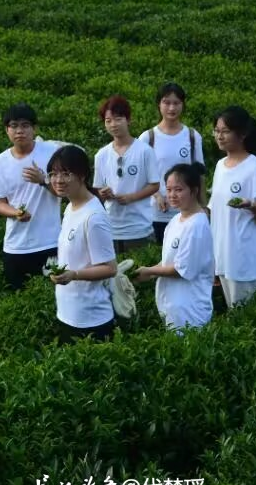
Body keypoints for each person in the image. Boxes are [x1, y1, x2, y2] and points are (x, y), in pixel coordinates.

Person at [47, 145, 118, 343]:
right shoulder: (70, 207)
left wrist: (74, 275)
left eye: (66, 173)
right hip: (67, 312)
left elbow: (110, 268)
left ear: (83, 175)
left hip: (91, 319)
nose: (58, 180)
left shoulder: (93, 217)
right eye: (53, 174)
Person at [0, 103, 61, 290]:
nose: (19, 131)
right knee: (17, 295)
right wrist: (16, 213)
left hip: (50, 242)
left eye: (25, 125)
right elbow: (0, 204)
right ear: (6, 130)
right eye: (13, 126)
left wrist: (43, 181)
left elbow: (65, 192)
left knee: (53, 293)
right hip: (16, 246)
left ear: (34, 128)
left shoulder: (51, 153)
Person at [209, 106, 256, 308]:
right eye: (216, 131)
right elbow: (215, 212)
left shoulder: (255, 168)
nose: (220, 136)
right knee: (234, 314)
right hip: (224, 256)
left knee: (248, 316)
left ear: (243, 134)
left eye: (226, 131)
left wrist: (251, 206)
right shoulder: (220, 166)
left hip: (246, 259)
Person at [134, 162, 214, 332]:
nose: (172, 195)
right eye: (169, 189)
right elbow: (167, 262)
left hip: (189, 310)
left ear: (194, 190)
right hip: (172, 307)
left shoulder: (197, 225)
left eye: (178, 190)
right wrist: (147, 273)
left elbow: (182, 269)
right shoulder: (175, 220)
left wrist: (150, 271)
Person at [138, 82, 205, 244]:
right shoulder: (148, 138)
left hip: (187, 212)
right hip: (156, 213)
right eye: (166, 102)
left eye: (176, 103)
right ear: (159, 104)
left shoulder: (192, 136)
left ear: (183, 105)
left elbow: (199, 175)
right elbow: (141, 176)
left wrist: (203, 207)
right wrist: (157, 195)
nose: (171, 108)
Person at [93, 95, 160, 253]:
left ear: (128, 120)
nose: (113, 124)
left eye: (118, 119)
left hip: (140, 228)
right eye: (108, 121)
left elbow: (154, 185)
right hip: (111, 229)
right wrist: (103, 193)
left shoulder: (144, 151)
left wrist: (131, 197)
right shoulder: (101, 155)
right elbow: (98, 189)